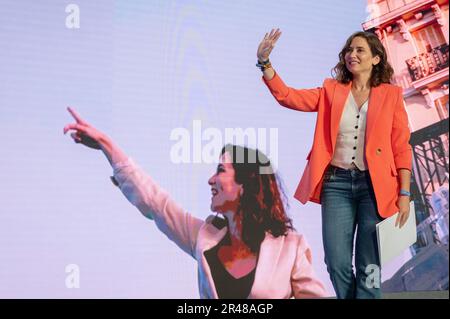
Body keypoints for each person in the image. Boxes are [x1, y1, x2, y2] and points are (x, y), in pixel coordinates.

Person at [63, 107, 327, 299]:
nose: (211, 180)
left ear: (246, 183)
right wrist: (106, 144)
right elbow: (155, 202)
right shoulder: (204, 237)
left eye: (221, 170)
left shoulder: (290, 248)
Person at [256, 29, 412, 299]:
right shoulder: (331, 90)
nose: (352, 55)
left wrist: (404, 193)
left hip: (374, 188)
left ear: (376, 59)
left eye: (360, 50)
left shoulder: (391, 95)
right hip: (336, 185)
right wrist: (265, 64)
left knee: (369, 264)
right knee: (336, 262)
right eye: (349, 50)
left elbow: (401, 146)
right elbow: (288, 96)